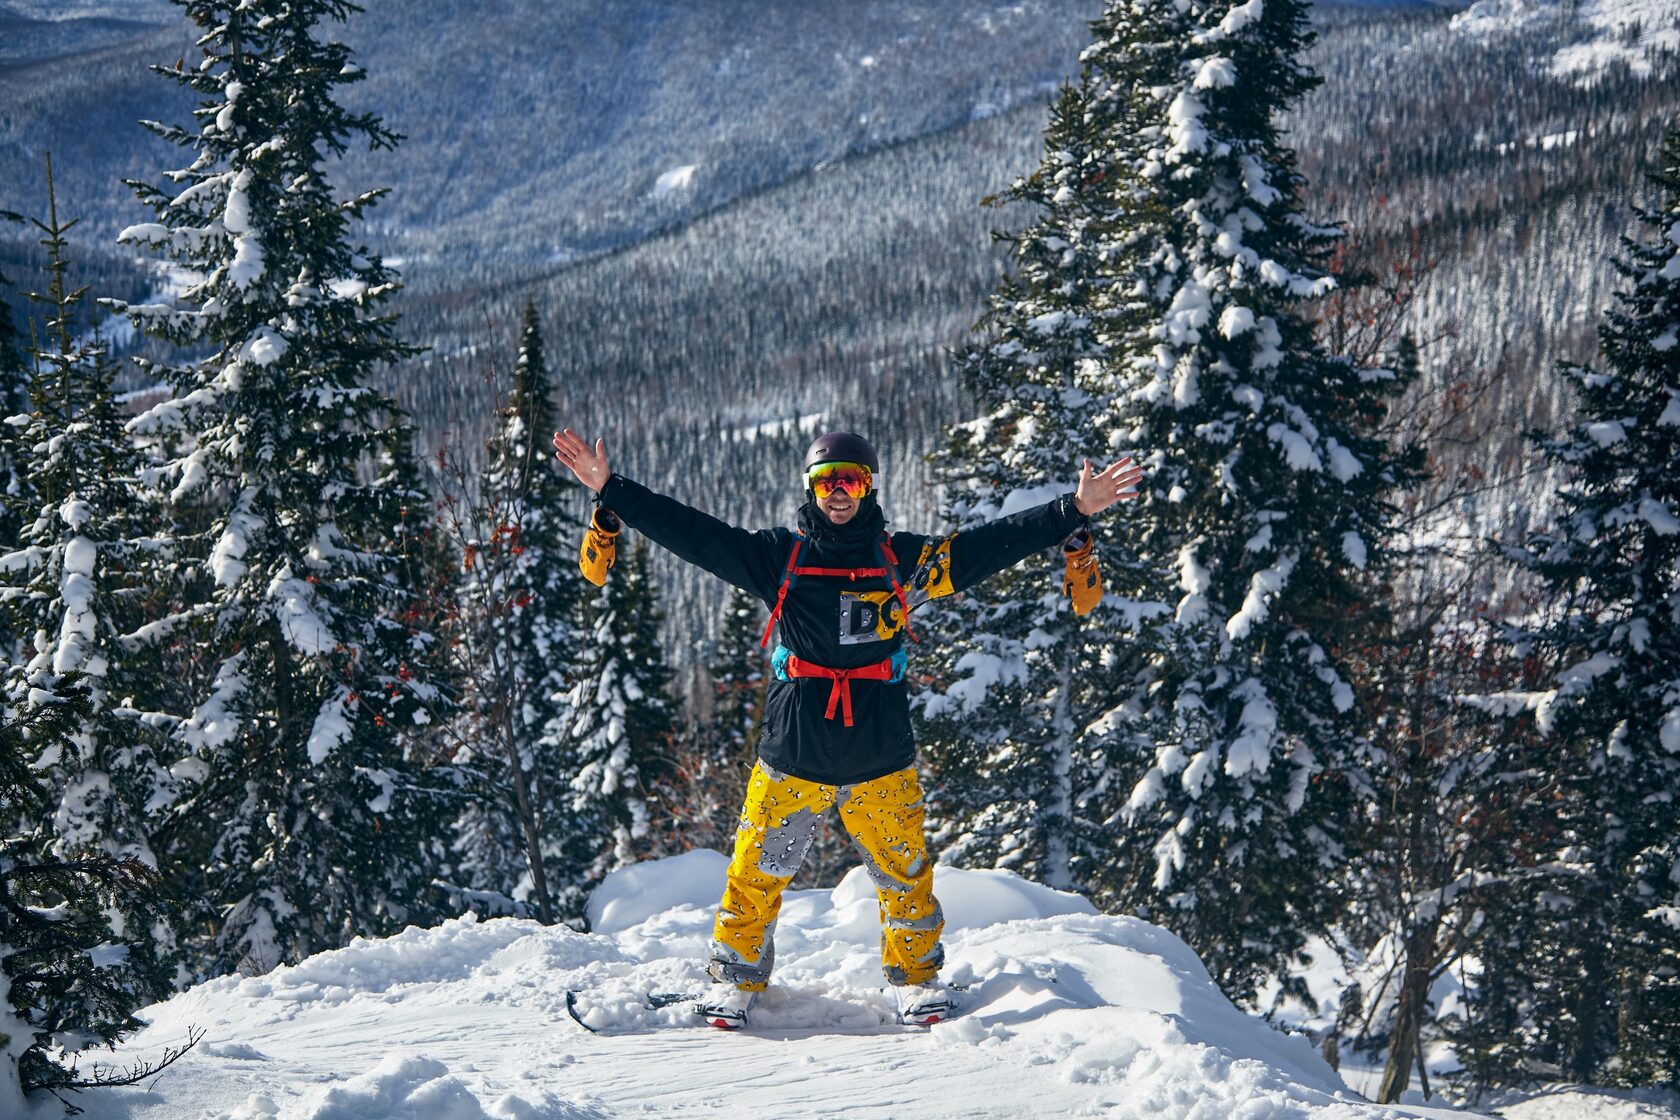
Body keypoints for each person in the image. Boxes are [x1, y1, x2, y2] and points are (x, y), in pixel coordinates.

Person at [551, 427, 1143, 1027]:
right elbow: (695, 533)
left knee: (904, 876)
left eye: (851, 479)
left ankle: (916, 981)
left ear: (869, 486)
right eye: (827, 480)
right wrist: (613, 491)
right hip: (795, 749)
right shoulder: (778, 557)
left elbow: (983, 549)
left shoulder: (902, 560)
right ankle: (734, 979)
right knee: (755, 870)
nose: (839, 492)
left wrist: (1072, 509)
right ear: (810, 487)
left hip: (878, 751)